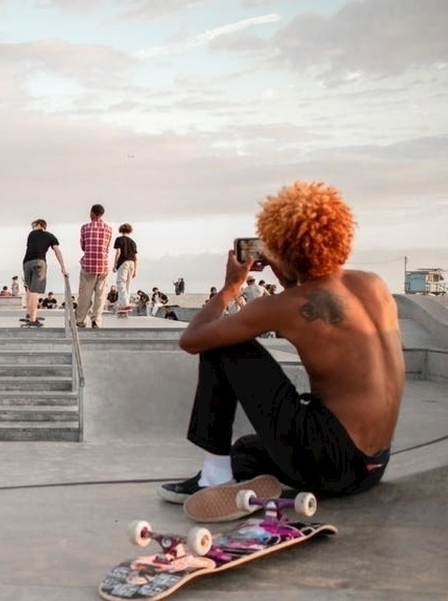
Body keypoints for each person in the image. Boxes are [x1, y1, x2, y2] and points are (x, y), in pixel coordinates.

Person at [159, 181, 404, 521]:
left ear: (283, 246)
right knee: (246, 451)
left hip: (329, 460)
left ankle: (213, 476)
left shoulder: (285, 305)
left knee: (226, 346)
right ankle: (246, 472)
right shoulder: (373, 285)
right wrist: (288, 271)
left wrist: (231, 287)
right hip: (372, 468)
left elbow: (193, 338)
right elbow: (317, 300)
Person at [20, 219, 69, 326]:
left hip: (26, 263)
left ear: (39, 225)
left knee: (29, 289)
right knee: (34, 291)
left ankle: (29, 314)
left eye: (33, 226)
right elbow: (57, 250)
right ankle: (33, 319)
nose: (32, 228)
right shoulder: (50, 236)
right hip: (39, 262)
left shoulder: (31, 235)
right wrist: (62, 267)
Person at [75, 204, 112, 329]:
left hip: (88, 265)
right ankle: (96, 320)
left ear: (92, 213)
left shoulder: (85, 227)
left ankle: (80, 319)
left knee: (85, 294)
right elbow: (107, 248)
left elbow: (83, 246)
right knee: (100, 295)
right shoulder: (108, 229)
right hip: (103, 265)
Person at [113, 223, 138, 311]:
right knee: (128, 284)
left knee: (120, 283)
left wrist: (115, 264)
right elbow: (136, 257)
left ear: (120, 230)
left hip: (123, 262)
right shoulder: (132, 242)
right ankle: (122, 303)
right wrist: (135, 269)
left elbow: (118, 252)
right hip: (132, 263)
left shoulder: (119, 239)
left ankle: (125, 304)